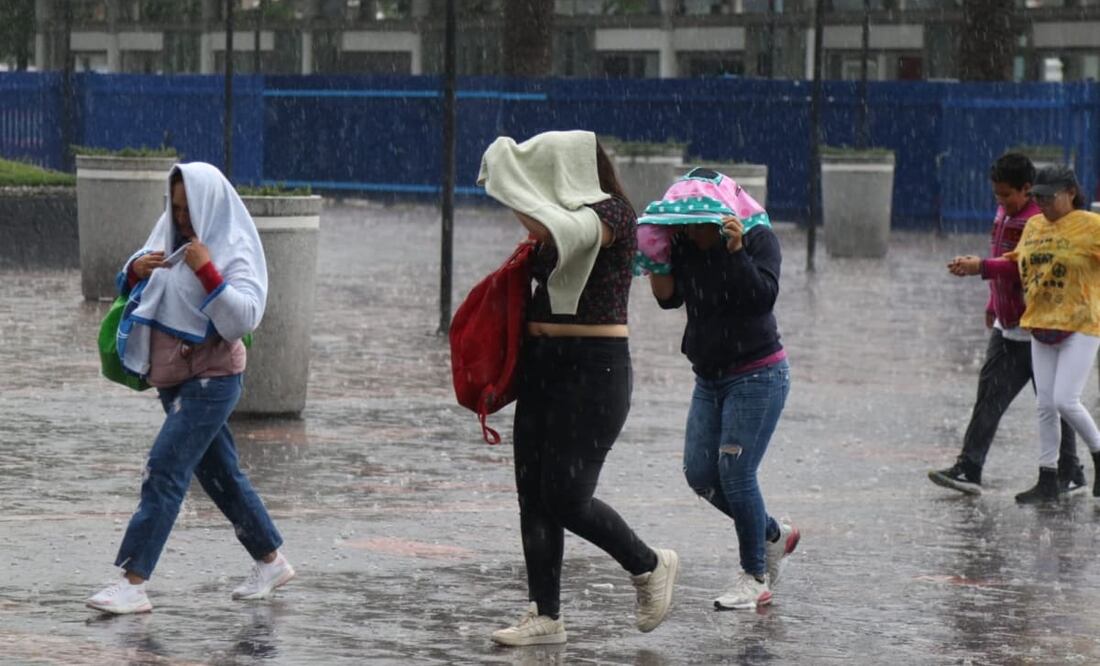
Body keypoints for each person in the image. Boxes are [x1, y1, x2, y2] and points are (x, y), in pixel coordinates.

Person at [477, 130, 679, 646]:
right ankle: (546, 615)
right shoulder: (557, 221)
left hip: (595, 370)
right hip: (543, 367)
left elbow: (567, 233)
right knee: (533, 496)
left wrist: (512, 176)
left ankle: (649, 565)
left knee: (566, 495)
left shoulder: (612, 215)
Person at [86, 163, 294, 614]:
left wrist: (208, 273)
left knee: (164, 469)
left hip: (213, 380)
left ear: (208, 206)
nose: (181, 219)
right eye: (175, 208)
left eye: (188, 210)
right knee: (220, 475)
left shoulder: (232, 246)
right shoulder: (170, 234)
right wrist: (135, 269)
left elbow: (244, 318)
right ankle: (270, 560)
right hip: (175, 378)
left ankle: (132, 581)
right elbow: (140, 279)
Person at [639, 167, 798, 610]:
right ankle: (771, 535)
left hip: (758, 374)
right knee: (699, 474)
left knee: (736, 474)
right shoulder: (684, 243)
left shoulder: (756, 238)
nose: (691, 229)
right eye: (684, 222)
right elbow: (670, 298)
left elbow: (762, 295)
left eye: (698, 222)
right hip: (708, 376)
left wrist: (733, 251)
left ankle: (755, 575)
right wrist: (655, 259)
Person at [930, 153, 1085, 500]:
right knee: (989, 395)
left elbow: (1023, 267)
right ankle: (970, 466)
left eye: (1006, 195)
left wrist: (981, 267)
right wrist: (992, 303)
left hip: (1040, 329)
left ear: (1027, 189)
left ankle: (1071, 471)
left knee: (1056, 402)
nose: (1000, 202)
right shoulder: (1006, 214)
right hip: (1007, 325)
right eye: (996, 195)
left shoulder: (1037, 221)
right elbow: (1002, 258)